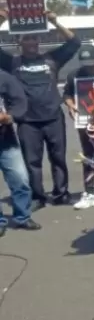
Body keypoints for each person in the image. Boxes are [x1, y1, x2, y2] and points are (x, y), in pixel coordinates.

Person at [0, 9, 80, 210]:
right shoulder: (12, 62)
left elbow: (74, 43)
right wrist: (3, 19)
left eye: (34, 39)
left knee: (58, 158)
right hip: (27, 121)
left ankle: (61, 194)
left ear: (38, 42)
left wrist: (54, 20)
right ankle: (38, 197)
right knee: (32, 162)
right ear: (20, 43)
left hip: (54, 117)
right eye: (27, 39)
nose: (32, 43)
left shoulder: (52, 59)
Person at [62, 45, 94, 210]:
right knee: (88, 155)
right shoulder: (75, 75)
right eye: (85, 63)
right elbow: (67, 93)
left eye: (92, 63)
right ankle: (90, 192)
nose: (89, 67)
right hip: (85, 119)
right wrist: (71, 104)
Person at [0, 67, 40, 235]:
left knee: (20, 179)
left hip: (5, 139)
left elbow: (19, 100)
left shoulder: (3, 77)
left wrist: (9, 117)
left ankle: (22, 217)